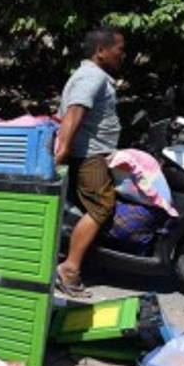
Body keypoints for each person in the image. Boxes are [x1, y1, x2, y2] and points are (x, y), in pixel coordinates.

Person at [53, 26, 126, 296]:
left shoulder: (93, 75)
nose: (122, 55)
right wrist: (62, 150)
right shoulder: (91, 77)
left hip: (93, 154)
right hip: (89, 156)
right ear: (100, 51)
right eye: (119, 50)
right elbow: (75, 112)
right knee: (102, 206)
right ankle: (69, 269)